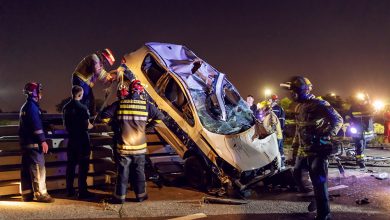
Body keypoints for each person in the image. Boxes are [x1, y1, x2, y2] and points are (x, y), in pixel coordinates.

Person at [281, 76, 343, 220]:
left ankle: (324, 215)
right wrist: (293, 151)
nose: (292, 94)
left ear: (304, 90)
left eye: (294, 91)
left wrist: (326, 134)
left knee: (319, 183)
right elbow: (299, 130)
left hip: (318, 150)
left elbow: (338, 119)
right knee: (297, 174)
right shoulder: (300, 106)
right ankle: (316, 197)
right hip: (303, 151)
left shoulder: (319, 103)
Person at [100, 79, 164, 203]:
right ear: (141, 92)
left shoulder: (120, 104)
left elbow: (104, 116)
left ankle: (120, 198)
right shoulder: (146, 105)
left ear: (129, 91)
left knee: (123, 173)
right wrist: (147, 127)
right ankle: (140, 196)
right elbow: (160, 118)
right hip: (139, 147)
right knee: (139, 172)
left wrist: (116, 125)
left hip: (124, 146)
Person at [19, 82, 55, 203]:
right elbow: (36, 125)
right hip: (34, 144)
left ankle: (27, 195)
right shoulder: (32, 107)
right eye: (39, 91)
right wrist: (43, 141)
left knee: (26, 169)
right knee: (38, 168)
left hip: (26, 144)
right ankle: (41, 194)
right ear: (34, 93)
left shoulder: (25, 107)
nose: (41, 93)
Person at [62, 85, 94, 199]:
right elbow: (87, 125)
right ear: (80, 94)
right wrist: (91, 126)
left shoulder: (66, 107)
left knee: (70, 166)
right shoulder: (83, 108)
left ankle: (69, 190)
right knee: (83, 167)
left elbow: (66, 124)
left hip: (72, 140)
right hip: (82, 141)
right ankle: (82, 190)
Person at [72, 48, 116, 116]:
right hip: (80, 79)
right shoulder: (94, 57)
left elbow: (100, 76)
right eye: (106, 61)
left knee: (91, 100)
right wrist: (109, 77)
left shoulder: (99, 63)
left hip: (84, 82)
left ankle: (92, 115)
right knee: (84, 98)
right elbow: (98, 71)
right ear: (104, 57)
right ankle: (80, 116)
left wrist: (108, 79)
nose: (105, 63)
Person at [346, 93, 374, 169]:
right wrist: (349, 121)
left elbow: (374, 114)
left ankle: (359, 159)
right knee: (359, 145)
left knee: (362, 146)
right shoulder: (353, 107)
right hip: (357, 130)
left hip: (366, 131)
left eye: (363, 99)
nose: (361, 101)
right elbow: (348, 115)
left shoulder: (370, 107)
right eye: (360, 100)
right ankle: (360, 161)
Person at [257, 101, 284, 169]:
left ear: (265, 109)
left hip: (276, 137)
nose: (261, 111)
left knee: (275, 152)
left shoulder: (271, 115)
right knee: (276, 151)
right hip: (275, 136)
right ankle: (280, 166)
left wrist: (270, 134)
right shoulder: (268, 115)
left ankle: (279, 167)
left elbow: (273, 126)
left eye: (262, 109)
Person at [269, 94, 286, 167]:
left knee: (278, 147)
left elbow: (282, 119)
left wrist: (281, 129)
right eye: (273, 99)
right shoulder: (270, 108)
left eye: (274, 100)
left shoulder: (278, 108)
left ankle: (281, 164)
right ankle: (279, 164)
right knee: (276, 147)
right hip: (272, 131)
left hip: (277, 131)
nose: (274, 101)